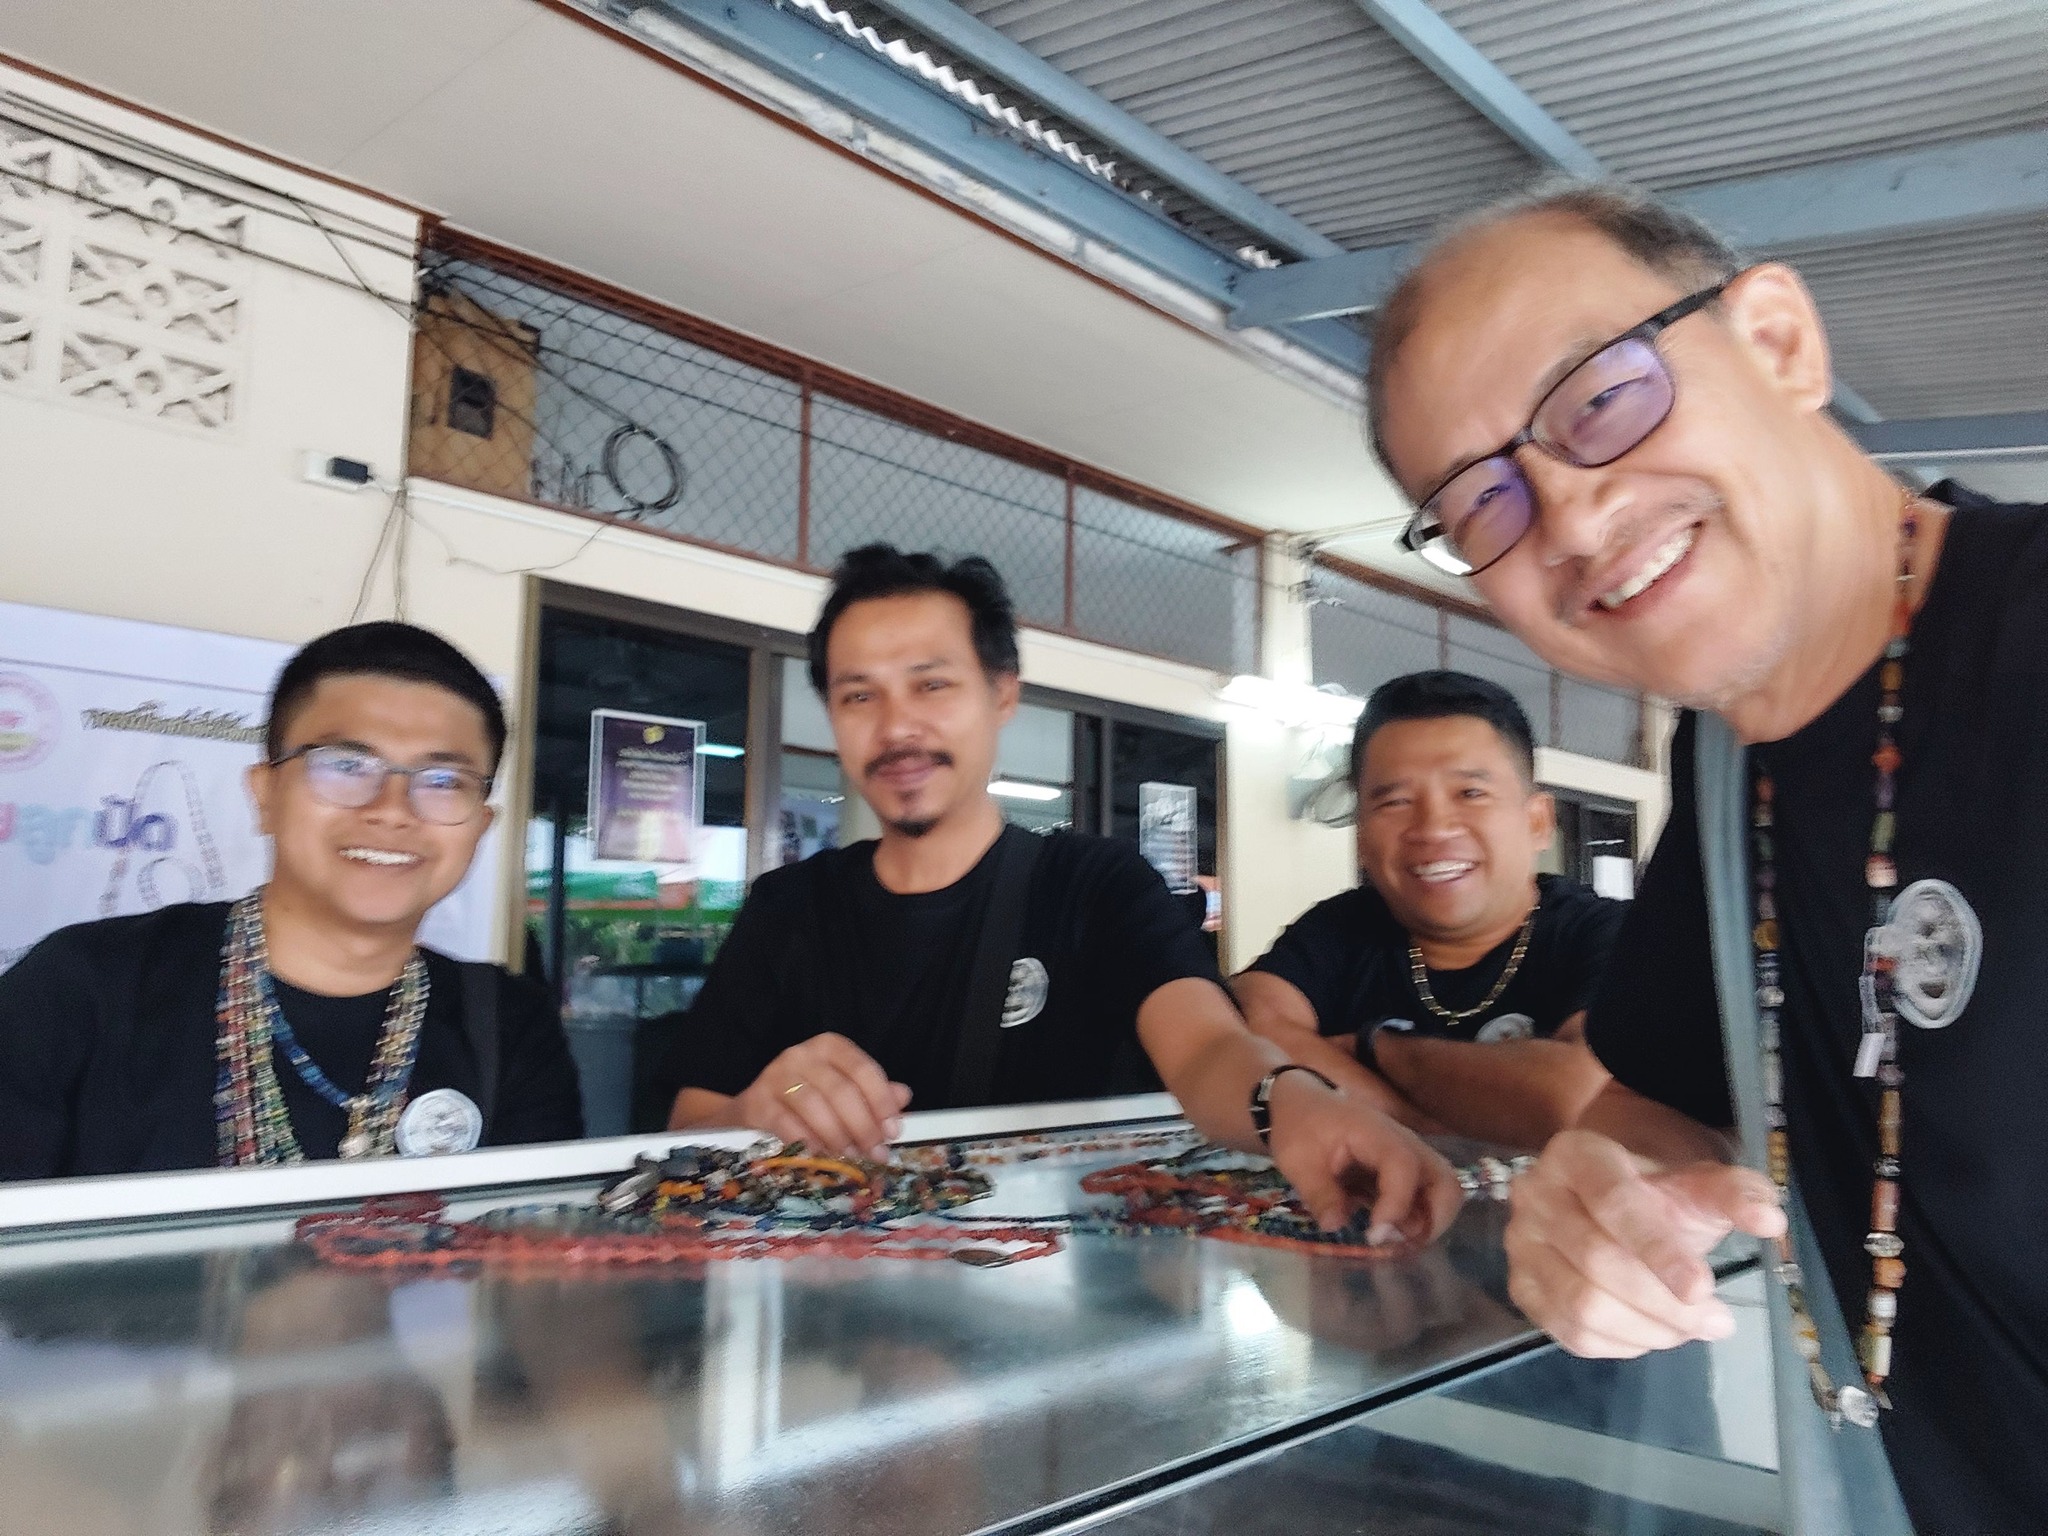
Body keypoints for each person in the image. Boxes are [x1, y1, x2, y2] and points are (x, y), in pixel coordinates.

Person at [1368, 177, 2048, 1530]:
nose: (1567, 519)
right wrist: (1589, 1196)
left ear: (1778, 343)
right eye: (1482, 502)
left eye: (1599, 398)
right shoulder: (1732, 762)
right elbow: (1671, 1106)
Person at [660, 544, 1462, 1243]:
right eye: (859, 695)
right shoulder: (786, 908)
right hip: (831, 1313)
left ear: (1002, 695)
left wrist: (1291, 1104)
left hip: (1048, 1302)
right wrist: (761, 1110)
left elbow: (1206, 1046)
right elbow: (690, 1128)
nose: (897, 727)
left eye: (931, 686)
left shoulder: (1097, 887)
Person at [0, 622, 582, 1177]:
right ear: (266, 794)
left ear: (480, 825)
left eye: (443, 781)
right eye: (347, 765)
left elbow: (534, 1238)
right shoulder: (82, 987)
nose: (391, 809)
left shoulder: (509, 1026)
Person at [1234, 671, 1622, 1150]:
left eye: (1470, 793)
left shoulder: (1608, 935)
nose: (1433, 828)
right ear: (1361, 837)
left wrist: (1373, 1049)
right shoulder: (1341, 929)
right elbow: (1243, 1028)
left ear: (1537, 822)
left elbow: (1578, 1100)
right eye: (1396, 801)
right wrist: (1426, 1132)